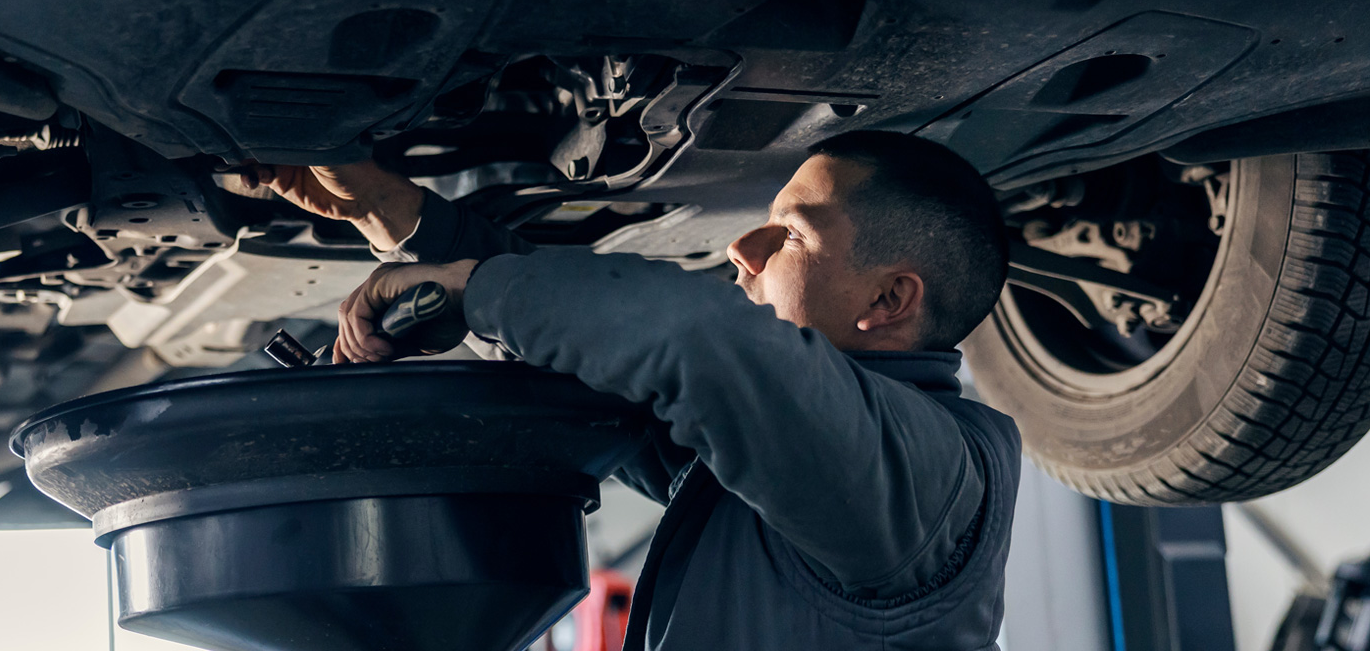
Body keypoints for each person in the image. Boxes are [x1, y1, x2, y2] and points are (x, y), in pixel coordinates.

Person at [243, 130, 1020, 650]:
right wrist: (392, 213)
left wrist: (473, 287)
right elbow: (611, 368)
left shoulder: (934, 486)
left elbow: (694, 338)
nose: (740, 249)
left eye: (791, 235)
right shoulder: (812, 466)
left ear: (887, 302)